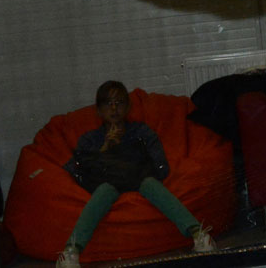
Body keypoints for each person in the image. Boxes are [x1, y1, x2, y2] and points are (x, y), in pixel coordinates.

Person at [57, 81, 214, 267]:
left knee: (150, 184)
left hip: (140, 180)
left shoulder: (141, 132)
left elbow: (161, 166)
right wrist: (105, 149)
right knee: (104, 190)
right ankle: (71, 251)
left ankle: (198, 234)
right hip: (107, 184)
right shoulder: (90, 139)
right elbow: (77, 171)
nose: (114, 109)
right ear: (98, 110)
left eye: (119, 103)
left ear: (128, 107)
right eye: (108, 103)